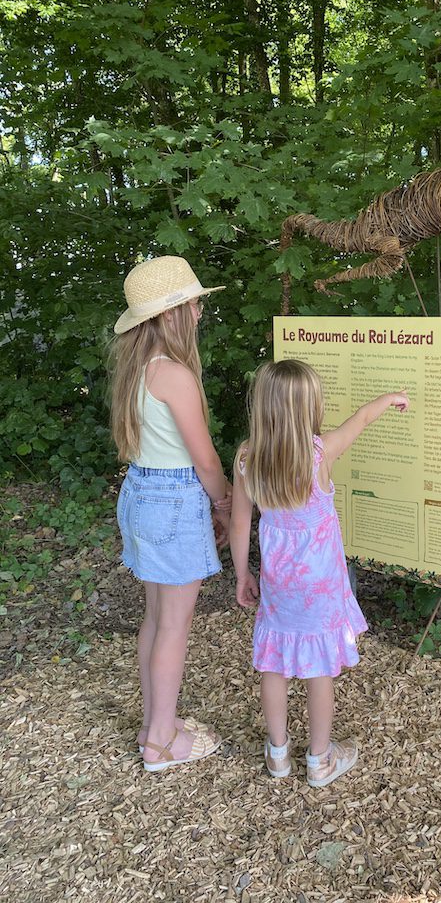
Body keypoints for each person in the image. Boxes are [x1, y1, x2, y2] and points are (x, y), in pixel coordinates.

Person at [230, 359, 409, 786]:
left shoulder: (246, 457)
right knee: (318, 669)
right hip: (321, 584)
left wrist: (242, 574)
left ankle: (277, 756)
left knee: (273, 664)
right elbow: (362, 419)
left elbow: (239, 523)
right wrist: (390, 398)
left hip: (278, 582)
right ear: (310, 406)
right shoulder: (320, 452)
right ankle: (319, 761)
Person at [109, 255, 232, 772]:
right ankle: (161, 741)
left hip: (141, 493)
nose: (200, 310)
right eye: (192, 302)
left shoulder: (136, 369)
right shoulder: (176, 375)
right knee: (174, 626)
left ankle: (154, 722)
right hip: (175, 501)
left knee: (157, 619)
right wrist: (225, 503)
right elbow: (203, 459)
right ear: (168, 314)